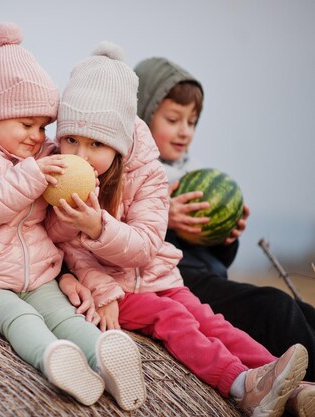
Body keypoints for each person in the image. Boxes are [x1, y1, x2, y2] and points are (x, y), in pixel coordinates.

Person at [47, 42, 309, 417]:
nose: (81, 155)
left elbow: (144, 246)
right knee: (173, 319)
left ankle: (284, 381)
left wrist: (97, 226)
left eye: (96, 144)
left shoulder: (149, 175)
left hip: (157, 276)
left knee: (209, 319)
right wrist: (91, 256)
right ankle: (240, 385)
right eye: (70, 139)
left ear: (120, 142)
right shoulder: (59, 174)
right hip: (116, 291)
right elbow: (63, 250)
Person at [0, 22, 145, 410]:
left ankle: (105, 356)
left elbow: (52, 228)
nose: (38, 135)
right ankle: (54, 360)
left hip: (38, 278)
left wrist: (76, 207)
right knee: (20, 318)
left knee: (66, 317)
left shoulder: (40, 158)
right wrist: (29, 176)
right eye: (26, 125)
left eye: (42, 125)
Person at [134, 57, 315, 415]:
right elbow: (124, 237)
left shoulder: (186, 176)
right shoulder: (132, 174)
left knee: (303, 311)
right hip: (175, 282)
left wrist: (224, 238)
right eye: (173, 120)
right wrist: (163, 215)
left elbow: (205, 254)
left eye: (192, 122)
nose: (185, 131)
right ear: (141, 115)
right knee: (273, 308)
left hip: (204, 276)